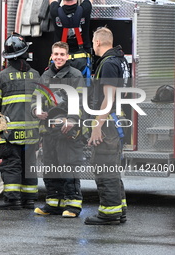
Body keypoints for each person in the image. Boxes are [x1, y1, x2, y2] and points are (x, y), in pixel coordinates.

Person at [0, 32, 40, 210]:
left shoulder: (2, 77)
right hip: (32, 133)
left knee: (11, 165)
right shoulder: (35, 76)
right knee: (29, 164)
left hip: (9, 133)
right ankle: (29, 199)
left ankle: (12, 199)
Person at [32, 41, 85, 217]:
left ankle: (73, 205)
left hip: (66, 131)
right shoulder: (45, 76)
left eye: (62, 54)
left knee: (68, 166)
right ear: (52, 55)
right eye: (56, 54)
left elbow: (80, 101)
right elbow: (36, 98)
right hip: (48, 131)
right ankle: (53, 203)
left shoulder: (75, 75)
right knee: (50, 167)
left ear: (67, 56)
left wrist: (71, 119)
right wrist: (36, 110)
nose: (59, 58)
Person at [84, 27, 128, 225]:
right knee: (111, 167)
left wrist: (96, 125)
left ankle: (109, 213)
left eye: (93, 43)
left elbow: (109, 98)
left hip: (107, 124)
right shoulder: (120, 60)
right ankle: (120, 209)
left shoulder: (109, 64)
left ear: (98, 43)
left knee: (104, 167)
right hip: (115, 121)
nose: (93, 46)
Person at [49, 0, 92, 83]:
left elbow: (53, 1)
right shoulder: (86, 9)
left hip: (61, 59)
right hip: (82, 58)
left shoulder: (54, 11)